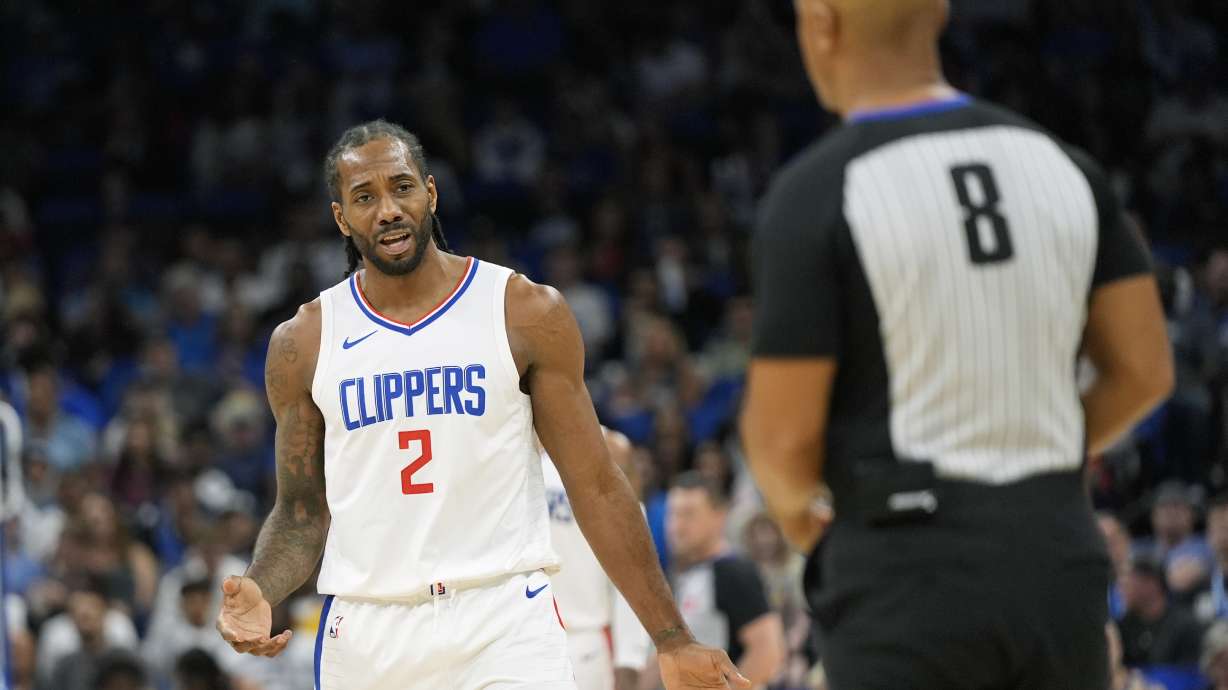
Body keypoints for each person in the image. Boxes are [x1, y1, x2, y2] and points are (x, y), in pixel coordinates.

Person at [214, 120, 748, 690]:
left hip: (503, 618)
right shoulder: (303, 343)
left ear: (431, 193)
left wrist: (671, 637)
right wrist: (262, 587)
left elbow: (595, 485)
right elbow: (300, 511)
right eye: (365, 197)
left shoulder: (522, 311)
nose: (388, 210)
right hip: (368, 629)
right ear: (341, 218)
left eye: (402, 187)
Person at [739, 1, 1175, 689]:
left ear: (821, 23)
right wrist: (1036, 457)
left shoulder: (814, 194)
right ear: (939, 11)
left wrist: (804, 522)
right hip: (1056, 558)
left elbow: (781, 441)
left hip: (903, 574)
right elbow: (1145, 371)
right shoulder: (1065, 165)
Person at [543, 427, 652, 690]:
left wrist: (629, 660)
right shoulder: (614, 448)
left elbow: (633, 578)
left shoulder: (611, 447)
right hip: (542, 638)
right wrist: (630, 660)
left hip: (574, 640)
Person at [664, 472, 787, 688]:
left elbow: (768, 652)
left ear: (719, 516)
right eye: (674, 514)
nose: (677, 526)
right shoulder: (681, 574)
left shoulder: (733, 572)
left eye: (689, 514)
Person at [1118, 555, 1203, 668]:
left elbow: (1190, 673)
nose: (1122, 589)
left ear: (1152, 584)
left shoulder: (1186, 627)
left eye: (1128, 582)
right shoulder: (1123, 626)